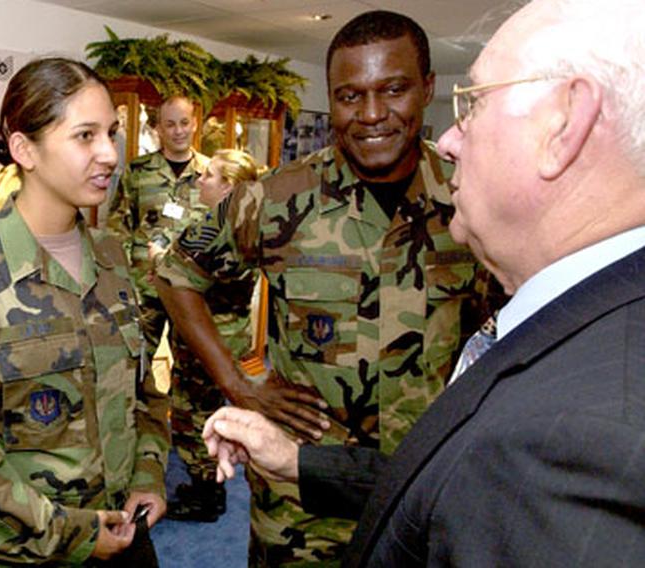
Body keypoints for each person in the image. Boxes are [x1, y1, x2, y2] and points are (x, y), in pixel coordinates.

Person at [155, 10, 497, 565]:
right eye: (349, 96)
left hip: (429, 491)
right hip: (302, 507)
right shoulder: (276, 199)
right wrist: (240, 386)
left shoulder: (471, 197)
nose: (372, 115)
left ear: (428, 89)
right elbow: (175, 275)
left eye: (393, 90)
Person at [345, 0, 645, 564]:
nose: (451, 141)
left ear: (564, 125)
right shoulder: (597, 323)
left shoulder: (578, 448)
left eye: (474, 104)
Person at [0, 57, 170, 565]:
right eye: (85, 136)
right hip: (15, 551)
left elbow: (142, 394)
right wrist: (73, 535)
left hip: (122, 536)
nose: (110, 154)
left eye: (111, 133)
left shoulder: (112, 258)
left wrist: (148, 476)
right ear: (25, 149)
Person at [167, 149, 260, 522]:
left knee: (194, 413)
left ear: (227, 187)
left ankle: (206, 492)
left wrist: (163, 257)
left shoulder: (216, 229)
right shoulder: (245, 222)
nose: (200, 181)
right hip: (232, 332)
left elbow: (184, 280)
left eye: (209, 176)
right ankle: (208, 486)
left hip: (207, 336)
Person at [105, 94, 209, 365]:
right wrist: (122, 280)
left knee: (193, 368)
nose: (178, 131)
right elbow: (119, 227)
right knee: (133, 362)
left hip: (191, 289)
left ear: (195, 124)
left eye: (184, 122)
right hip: (144, 287)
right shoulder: (138, 172)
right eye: (170, 124)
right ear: (159, 128)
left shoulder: (211, 175)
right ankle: (139, 407)